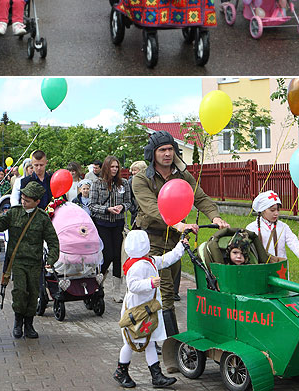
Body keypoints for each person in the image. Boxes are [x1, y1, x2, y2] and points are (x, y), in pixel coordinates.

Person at [132, 131, 229, 335]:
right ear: (153, 153)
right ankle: (171, 341)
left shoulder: (182, 175)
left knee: (170, 289)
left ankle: (151, 330)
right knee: (165, 290)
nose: (167, 154)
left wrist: (215, 217)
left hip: (176, 240)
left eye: (170, 149)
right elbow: (151, 208)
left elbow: (200, 198)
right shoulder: (141, 179)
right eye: (162, 150)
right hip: (151, 240)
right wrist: (177, 224)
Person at [0, 180, 60, 339]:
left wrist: (52, 258)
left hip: (34, 263)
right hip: (17, 261)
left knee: (34, 294)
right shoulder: (14, 213)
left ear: (37, 201)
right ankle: (18, 323)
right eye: (22, 198)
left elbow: (53, 241)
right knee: (20, 292)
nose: (23, 202)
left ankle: (29, 324)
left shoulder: (42, 218)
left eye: (27, 200)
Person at [114, 229, 186, 389]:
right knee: (130, 342)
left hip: (146, 311)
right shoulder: (137, 266)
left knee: (150, 342)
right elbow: (132, 285)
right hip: (137, 313)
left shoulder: (148, 260)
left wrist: (180, 246)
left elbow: (166, 259)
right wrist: (150, 283)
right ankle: (121, 371)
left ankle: (156, 375)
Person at [89, 155, 131, 302]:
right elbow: (92, 205)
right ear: (106, 168)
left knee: (119, 257)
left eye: (116, 167)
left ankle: (117, 292)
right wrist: (107, 209)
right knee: (108, 255)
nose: (114, 169)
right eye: (112, 167)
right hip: (103, 224)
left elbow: (129, 203)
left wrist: (122, 207)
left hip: (118, 224)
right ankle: (97, 282)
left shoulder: (124, 183)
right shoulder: (97, 184)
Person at [246, 191, 299, 265]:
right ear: (263, 210)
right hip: (260, 269)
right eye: (272, 210)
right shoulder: (251, 228)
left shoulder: (283, 227)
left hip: (280, 268)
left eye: (278, 210)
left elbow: (293, 242)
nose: (276, 213)